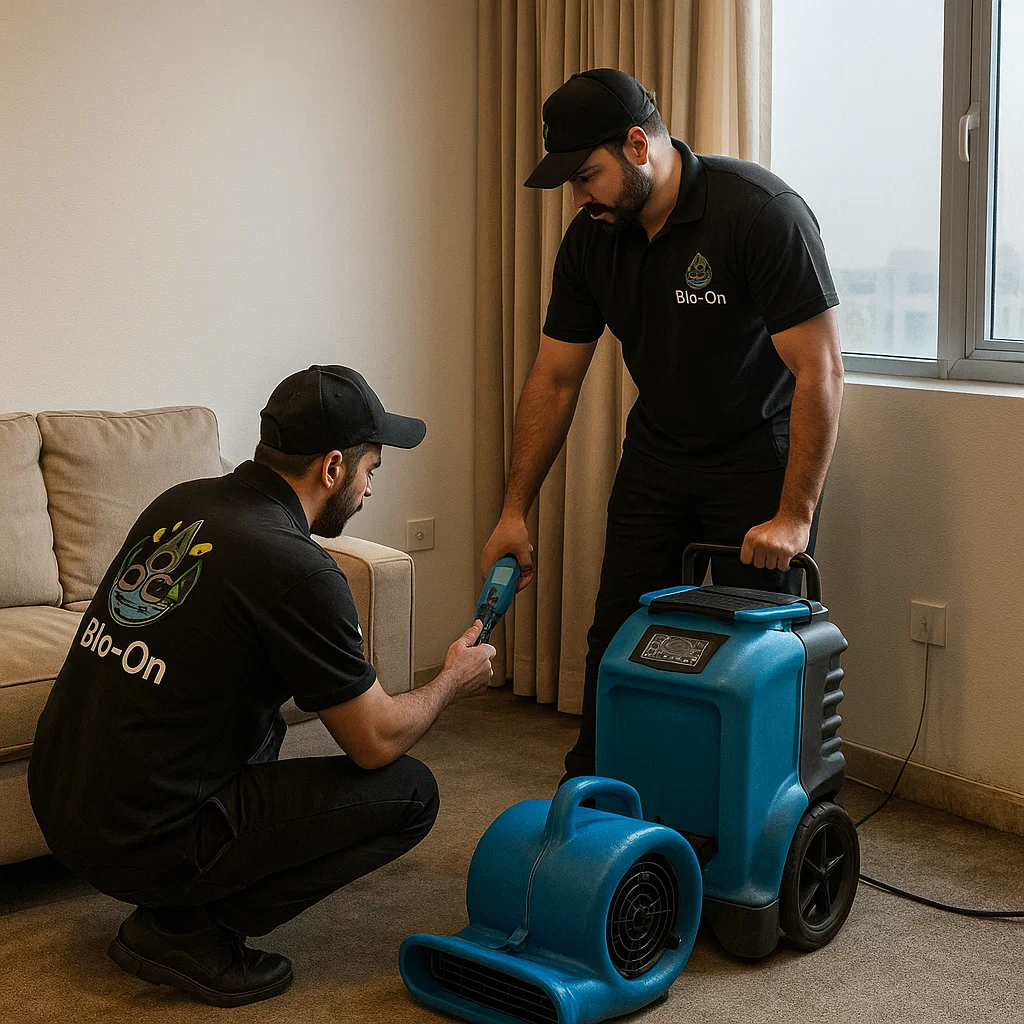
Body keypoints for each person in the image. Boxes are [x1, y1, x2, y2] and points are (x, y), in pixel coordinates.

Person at [29, 365, 496, 1008]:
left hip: (60, 800)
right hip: (136, 838)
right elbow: (375, 741)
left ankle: (181, 885)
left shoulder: (180, 503)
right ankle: (188, 933)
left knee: (265, 718)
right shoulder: (298, 569)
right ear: (333, 467)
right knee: (411, 793)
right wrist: (450, 681)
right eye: (371, 470)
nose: (369, 488)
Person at [479, 69, 844, 781]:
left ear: (638, 145)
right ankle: (595, 790)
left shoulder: (759, 212)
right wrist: (513, 510)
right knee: (619, 631)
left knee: (753, 651)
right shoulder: (592, 240)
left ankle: (749, 810)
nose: (578, 198)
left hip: (756, 458)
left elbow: (820, 370)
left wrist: (794, 517)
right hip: (658, 453)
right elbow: (555, 380)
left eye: (586, 176)